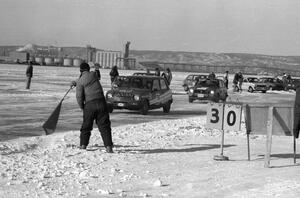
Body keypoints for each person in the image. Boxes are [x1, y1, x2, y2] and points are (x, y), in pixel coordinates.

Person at [71, 62, 113, 153]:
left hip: (89, 105)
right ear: (88, 69)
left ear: (80, 70)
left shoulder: (80, 81)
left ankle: (83, 145)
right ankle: (109, 147)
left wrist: (82, 107)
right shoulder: (94, 75)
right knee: (104, 126)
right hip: (101, 102)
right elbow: (92, 76)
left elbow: (79, 96)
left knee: (86, 126)